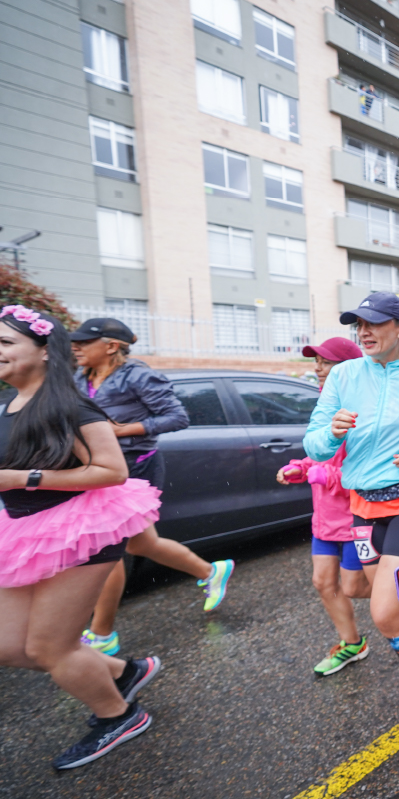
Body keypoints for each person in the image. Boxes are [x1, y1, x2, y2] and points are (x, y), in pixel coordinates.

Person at [0, 306, 162, 770]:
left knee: (50, 647)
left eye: (7, 343)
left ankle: (119, 715)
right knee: (10, 646)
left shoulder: (71, 405)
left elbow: (113, 470)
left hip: (80, 527)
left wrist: (22, 478)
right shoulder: (6, 408)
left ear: (44, 353)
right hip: (24, 530)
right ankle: (124, 671)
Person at [303, 292, 399, 743]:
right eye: (358, 325)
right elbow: (313, 442)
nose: (364, 332)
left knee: (386, 611)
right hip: (364, 503)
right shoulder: (345, 375)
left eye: (374, 324)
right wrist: (329, 434)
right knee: (393, 597)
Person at [70, 318, 232, 656]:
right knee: (141, 544)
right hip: (95, 469)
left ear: (111, 346)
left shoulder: (139, 375)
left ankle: (102, 634)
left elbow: (176, 417)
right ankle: (211, 570)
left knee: (109, 547)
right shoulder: (79, 377)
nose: (76, 347)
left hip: (133, 468)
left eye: (84, 342)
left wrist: (121, 430)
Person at [277, 337, 373, 676]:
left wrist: (320, 474)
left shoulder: (361, 410)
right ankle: (352, 644)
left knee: (354, 586)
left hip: (354, 518)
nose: (318, 368)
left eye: (326, 362)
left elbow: (363, 471)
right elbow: (319, 453)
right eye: (316, 361)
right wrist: (301, 468)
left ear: (348, 369)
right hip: (325, 519)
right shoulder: (325, 405)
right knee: (322, 583)